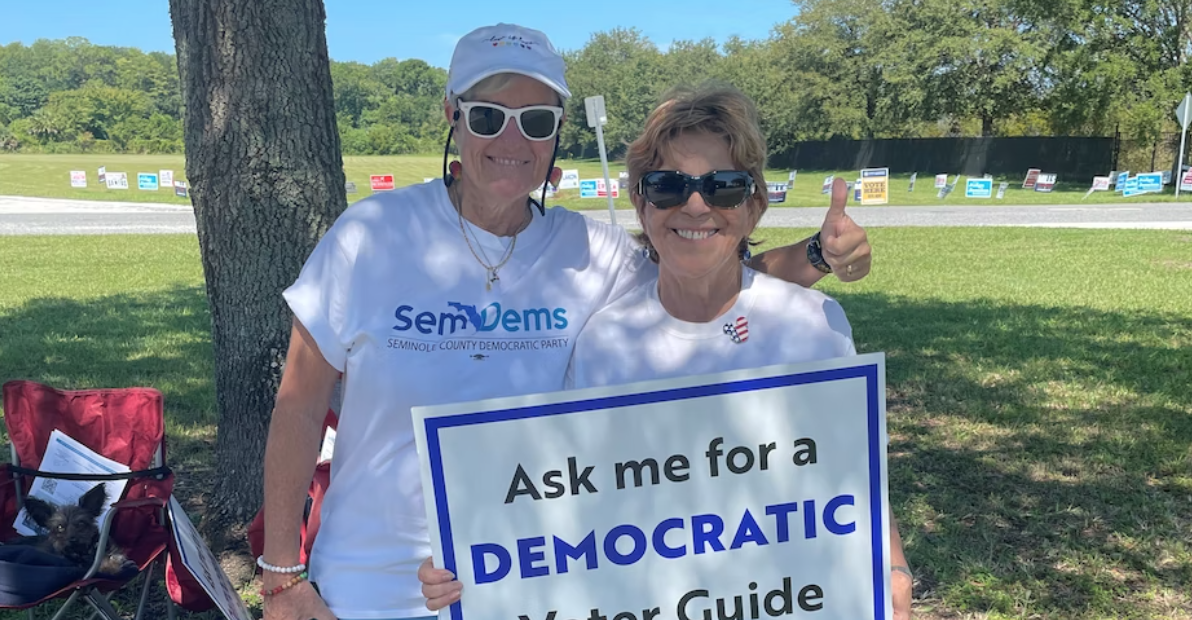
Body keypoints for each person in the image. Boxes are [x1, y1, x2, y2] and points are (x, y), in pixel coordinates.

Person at [260, 23, 873, 620]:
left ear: (555, 133)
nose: (511, 138)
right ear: (452, 114)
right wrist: (283, 578)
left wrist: (819, 256)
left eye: (535, 121)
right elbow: (300, 404)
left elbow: (700, 265)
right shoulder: (369, 236)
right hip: (367, 587)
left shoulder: (591, 252)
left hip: (525, 585)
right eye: (487, 116)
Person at [418, 83, 912, 618]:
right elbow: (564, 498)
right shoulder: (604, 343)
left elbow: (851, 477)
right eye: (668, 185)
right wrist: (470, 563)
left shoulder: (814, 326)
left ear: (753, 206)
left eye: (723, 186)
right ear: (641, 203)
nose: (696, 205)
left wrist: (894, 567)